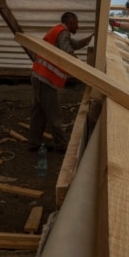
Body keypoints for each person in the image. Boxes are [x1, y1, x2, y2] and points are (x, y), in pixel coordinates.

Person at [29, 11, 93, 153]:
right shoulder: (63, 32)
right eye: (77, 23)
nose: (78, 26)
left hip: (39, 76)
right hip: (44, 78)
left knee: (39, 112)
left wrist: (90, 39)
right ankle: (62, 145)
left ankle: (34, 143)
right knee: (54, 113)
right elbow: (68, 51)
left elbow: (74, 44)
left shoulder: (58, 30)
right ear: (70, 22)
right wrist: (83, 68)